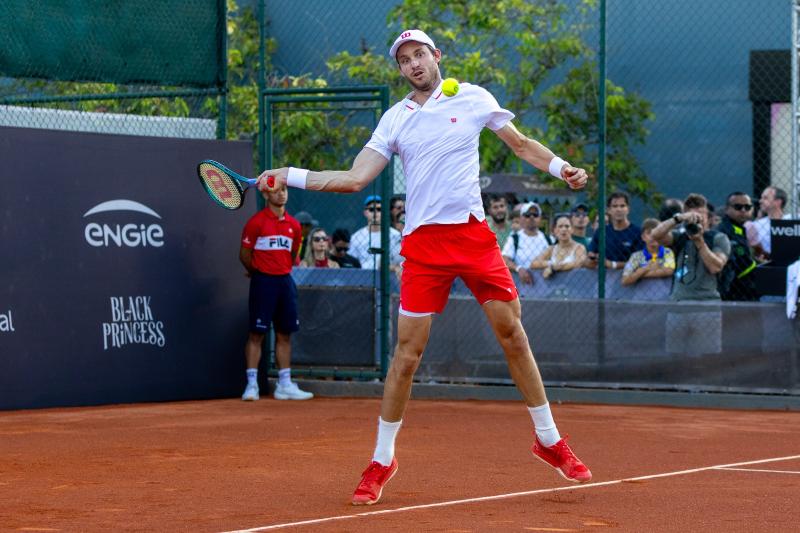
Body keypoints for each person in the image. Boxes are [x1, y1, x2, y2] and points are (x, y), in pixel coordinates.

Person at [256, 28, 592, 505]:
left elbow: (520, 145)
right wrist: (288, 174)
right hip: (424, 247)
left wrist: (562, 168)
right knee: (407, 356)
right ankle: (382, 458)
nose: (413, 64)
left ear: (437, 56)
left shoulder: (473, 98)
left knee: (513, 334)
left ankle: (550, 440)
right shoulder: (395, 120)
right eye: (404, 60)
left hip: (474, 238)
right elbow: (354, 178)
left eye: (420, 55)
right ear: (400, 70)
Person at [239, 184, 314, 402]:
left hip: (285, 282)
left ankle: (284, 384)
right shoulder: (256, 223)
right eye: (275, 190)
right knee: (256, 334)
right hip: (263, 283)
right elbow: (244, 255)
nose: (281, 193)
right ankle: (251, 385)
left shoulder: (294, 225)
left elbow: (292, 256)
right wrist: (259, 272)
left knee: (285, 334)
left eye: (284, 190)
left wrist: (279, 270)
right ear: (265, 194)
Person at [651, 193, 730, 301]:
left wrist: (699, 241)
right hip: (679, 302)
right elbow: (655, 235)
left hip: (708, 302)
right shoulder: (680, 237)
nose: (697, 220)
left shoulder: (718, 238)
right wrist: (678, 218)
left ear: (708, 217)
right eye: (693, 217)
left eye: (700, 216)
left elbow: (715, 267)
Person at [716, 192, 758, 301]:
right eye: (738, 207)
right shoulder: (727, 230)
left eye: (747, 207)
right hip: (734, 290)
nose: (743, 210)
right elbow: (744, 262)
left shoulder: (739, 228)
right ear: (727, 209)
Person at [586, 191, 643, 271]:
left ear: (628, 209)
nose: (619, 209)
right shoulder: (601, 232)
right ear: (609, 210)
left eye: (622, 206)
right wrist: (593, 258)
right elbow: (590, 256)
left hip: (630, 279)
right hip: (604, 280)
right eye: (615, 206)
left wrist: (613, 265)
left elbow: (640, 261)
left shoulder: (638, 232)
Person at [350, 195, 404, 273]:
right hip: (362, 279)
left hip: (388, 279)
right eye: (371, 209)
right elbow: (352, 262)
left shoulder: (395, 235)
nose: (375, 212)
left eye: (379, 209)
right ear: (365, 212)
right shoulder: (356, 237)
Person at [501, 202, 551, 285]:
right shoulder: (514, 238)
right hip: (521, 285)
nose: (531, 217)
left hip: (545, 284)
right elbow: (504, 259)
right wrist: (518, 268)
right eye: (527, 214)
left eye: (535, 214)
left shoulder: (549, 239)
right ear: (521, 218)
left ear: (540, 218)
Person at [621, 218, 676, 286]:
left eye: (657, 233)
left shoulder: (667, 252)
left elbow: (669, 271)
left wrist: (639, 273)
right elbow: (625, 281)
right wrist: (646, 268)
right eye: (649, 233)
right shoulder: (636, 256)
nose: (653, 236)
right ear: (643, 237)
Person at [530, 214, 587, 279]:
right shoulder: (551, 249)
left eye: (567, 226)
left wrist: (554, 268)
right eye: (560, 226)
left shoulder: (579, 247)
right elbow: (533, 263)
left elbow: (579, 263)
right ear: (555, 230)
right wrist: (551, 265)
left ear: (572, 229)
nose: (564, 229)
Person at [746, 186, 789, 260]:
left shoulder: (793, 220)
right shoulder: (756, 225)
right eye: (761, 198)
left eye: (765, 198)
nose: (760, 201)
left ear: (778, 202)